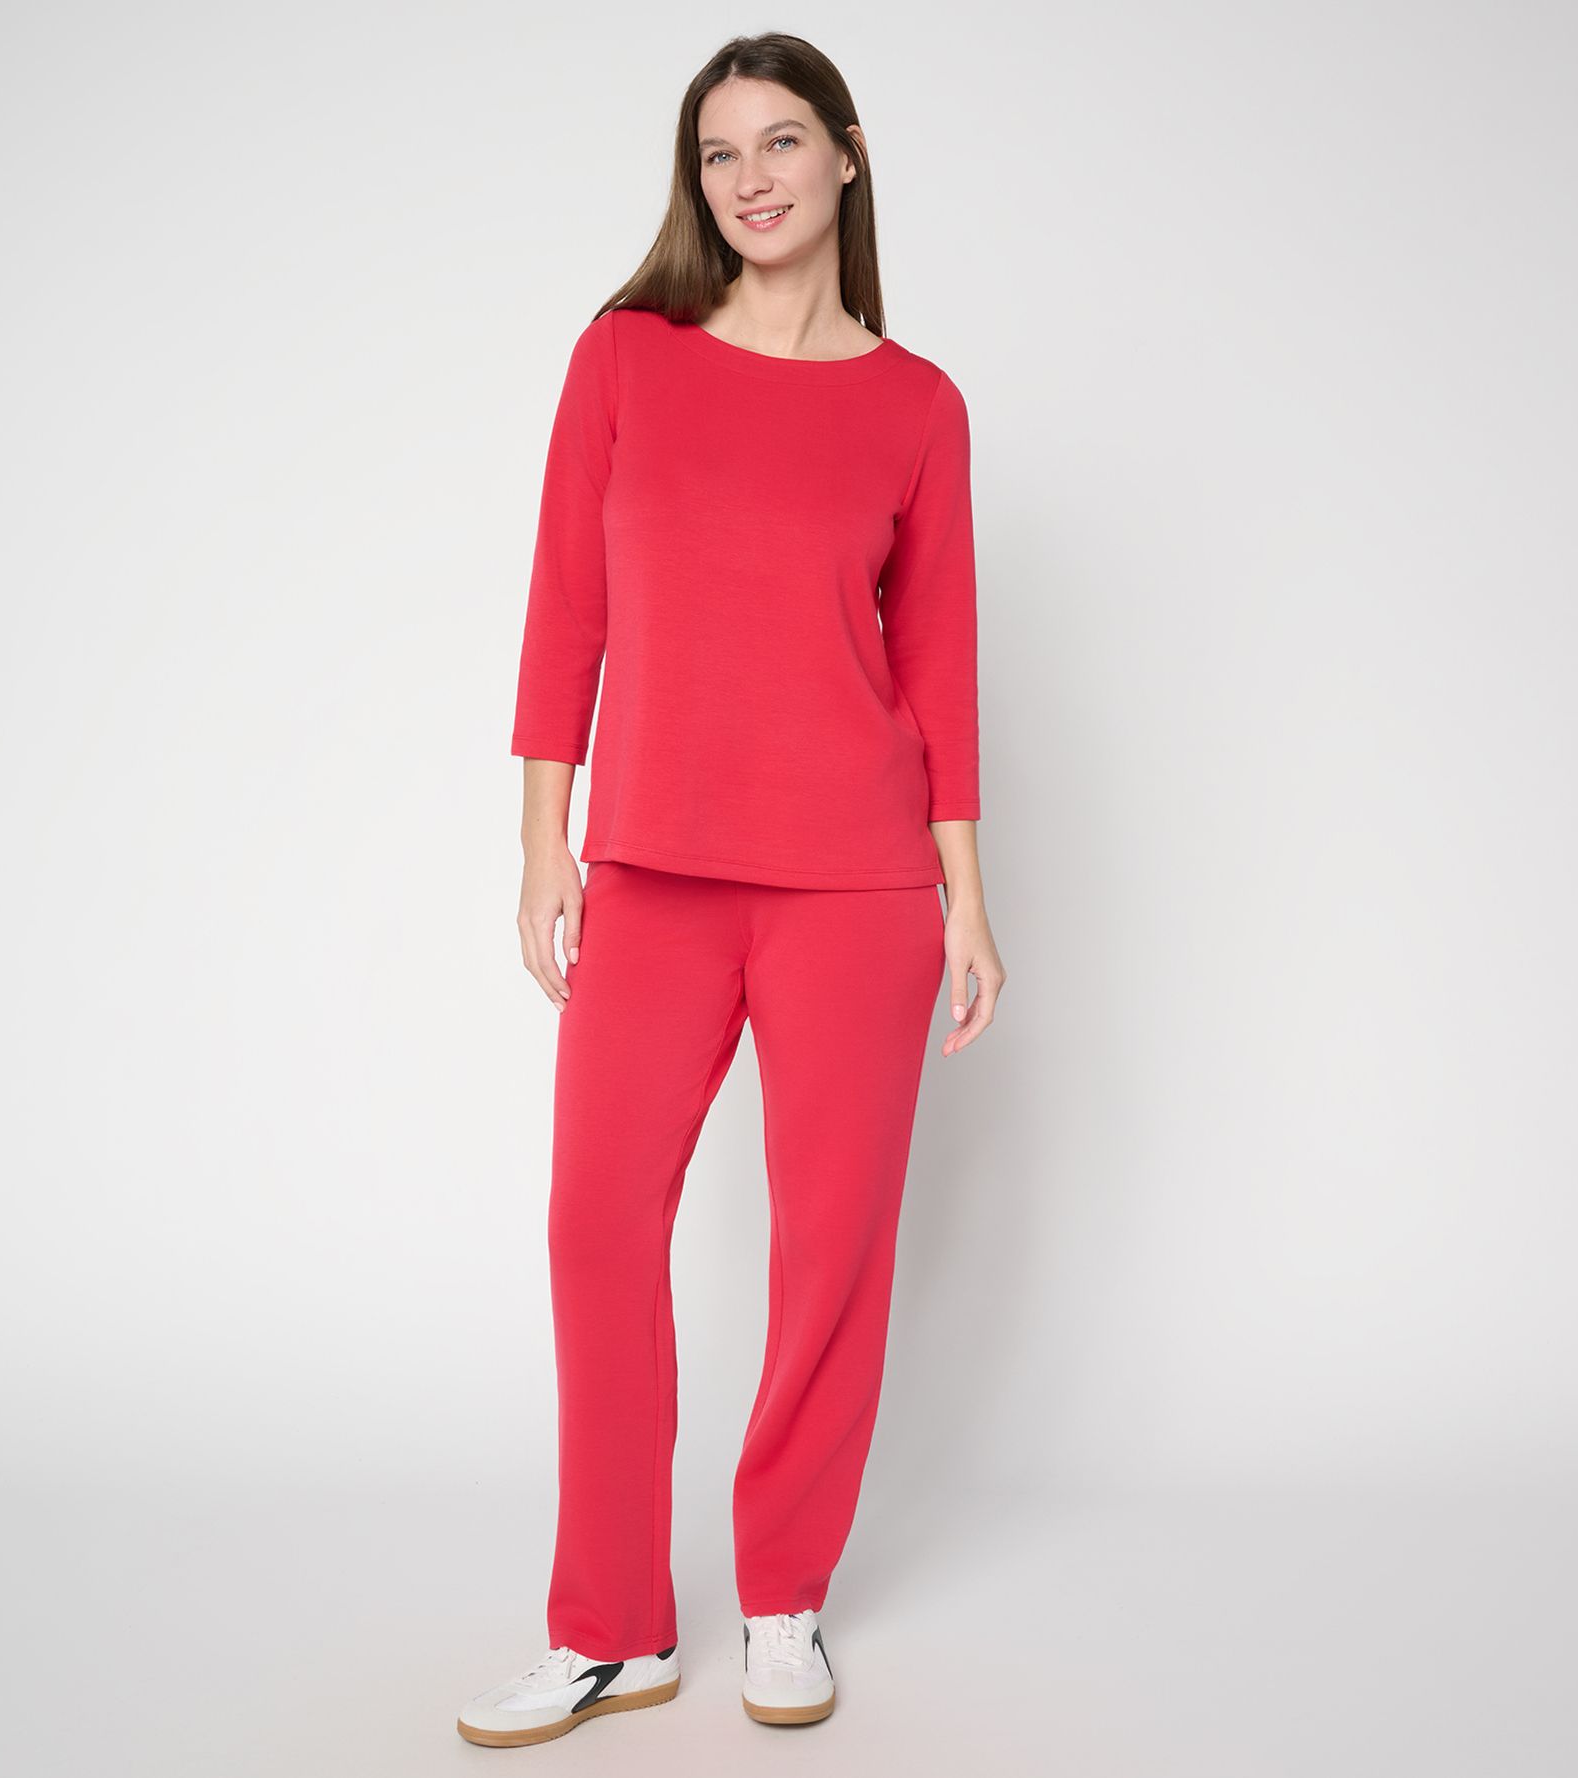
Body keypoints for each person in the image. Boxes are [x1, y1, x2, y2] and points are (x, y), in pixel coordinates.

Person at [457, 31, 1008, 1748]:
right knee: (594, 1219)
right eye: (718, 155)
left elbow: (939, 663)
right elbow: (566, 605)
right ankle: (610, 1625)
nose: (750, 179)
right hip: (657, 867)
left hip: (860, 885)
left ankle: (784, 1598)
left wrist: (968, 896)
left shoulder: (917, 407)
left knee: (829, 1249)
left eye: (780, 142)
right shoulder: (626, 358)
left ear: (848, 153)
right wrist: (545, 838)